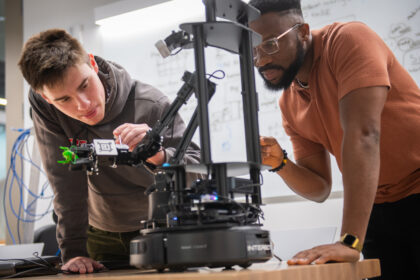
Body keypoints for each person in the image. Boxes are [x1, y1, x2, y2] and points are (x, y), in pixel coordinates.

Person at [248, 0, 420, 279]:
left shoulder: (348, 40)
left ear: (303, 32)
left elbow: (364, 134)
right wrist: (281, 164)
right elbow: (319, 188)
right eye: (253, 49)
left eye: (270, 45)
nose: (261, 60)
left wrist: (349, 241)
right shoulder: (289, 102)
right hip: (379, 206)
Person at [18, 29, 201, 274]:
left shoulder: (151, 105)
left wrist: (157, 156)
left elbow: (199, 173)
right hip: (99, 234)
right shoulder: (45, 108)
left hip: (161, 229)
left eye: (85, 85)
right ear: (46, 98)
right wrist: (73, 251)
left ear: (93, 64)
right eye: (64, 100)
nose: (83, 105)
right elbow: (64, 179)